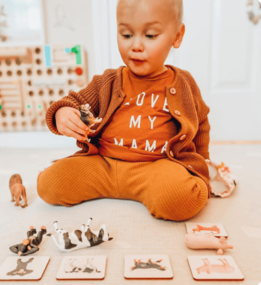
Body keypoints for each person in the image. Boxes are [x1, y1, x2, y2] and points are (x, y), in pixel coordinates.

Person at [37, 0, 211, 221]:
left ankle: (166, 188)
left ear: (177, 36)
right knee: (48, 184)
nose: (136, 45)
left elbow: (201, 122)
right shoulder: (109, 81)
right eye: (126, 35)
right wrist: (62, 113)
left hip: (155, 169)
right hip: (104, 166)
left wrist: (203, 161)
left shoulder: (183, 84)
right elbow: (74, 101)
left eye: (150, 36)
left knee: (181, 197)